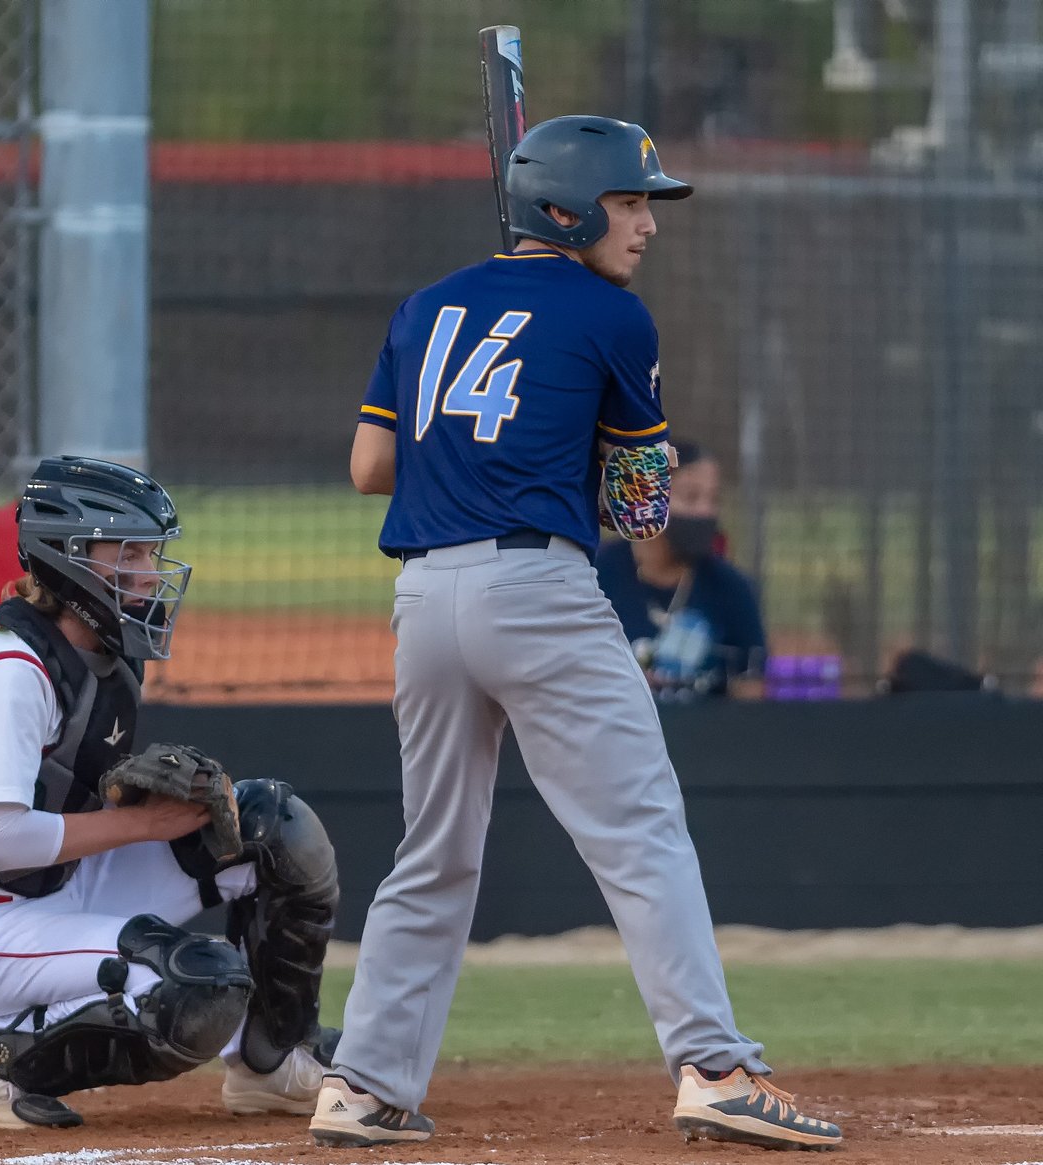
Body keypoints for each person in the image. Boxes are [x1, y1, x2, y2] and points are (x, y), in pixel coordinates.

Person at [308, 115, 841, 1152]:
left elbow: (370, 470)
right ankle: (716, 1064)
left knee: (434, 849)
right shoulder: (614, 315)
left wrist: (485, 448)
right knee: (640, 828)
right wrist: (580, 445)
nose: (646, 223)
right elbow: (645, 510)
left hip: (425, 599)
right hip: (538, 591)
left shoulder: (426, 306)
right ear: (568, 209)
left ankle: (363, 1082)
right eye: (631, 200)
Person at [0, 455, 340, 1130]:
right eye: (130, 551)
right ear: (71, 557)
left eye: (150, 551)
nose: (147, 569)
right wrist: (142, 825)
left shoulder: (98, 657)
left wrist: (158, 807)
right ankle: (0, 1054)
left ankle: (270, 1061)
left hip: (61, 885)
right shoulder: (10, 671)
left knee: (269, 826)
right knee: (201, 984)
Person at [595, 441, 766, 699]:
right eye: (691, 497)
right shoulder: (597, 575)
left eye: (713, 499)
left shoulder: (732, 589)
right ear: (652, 498)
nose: (705, 511)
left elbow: (751, 693)